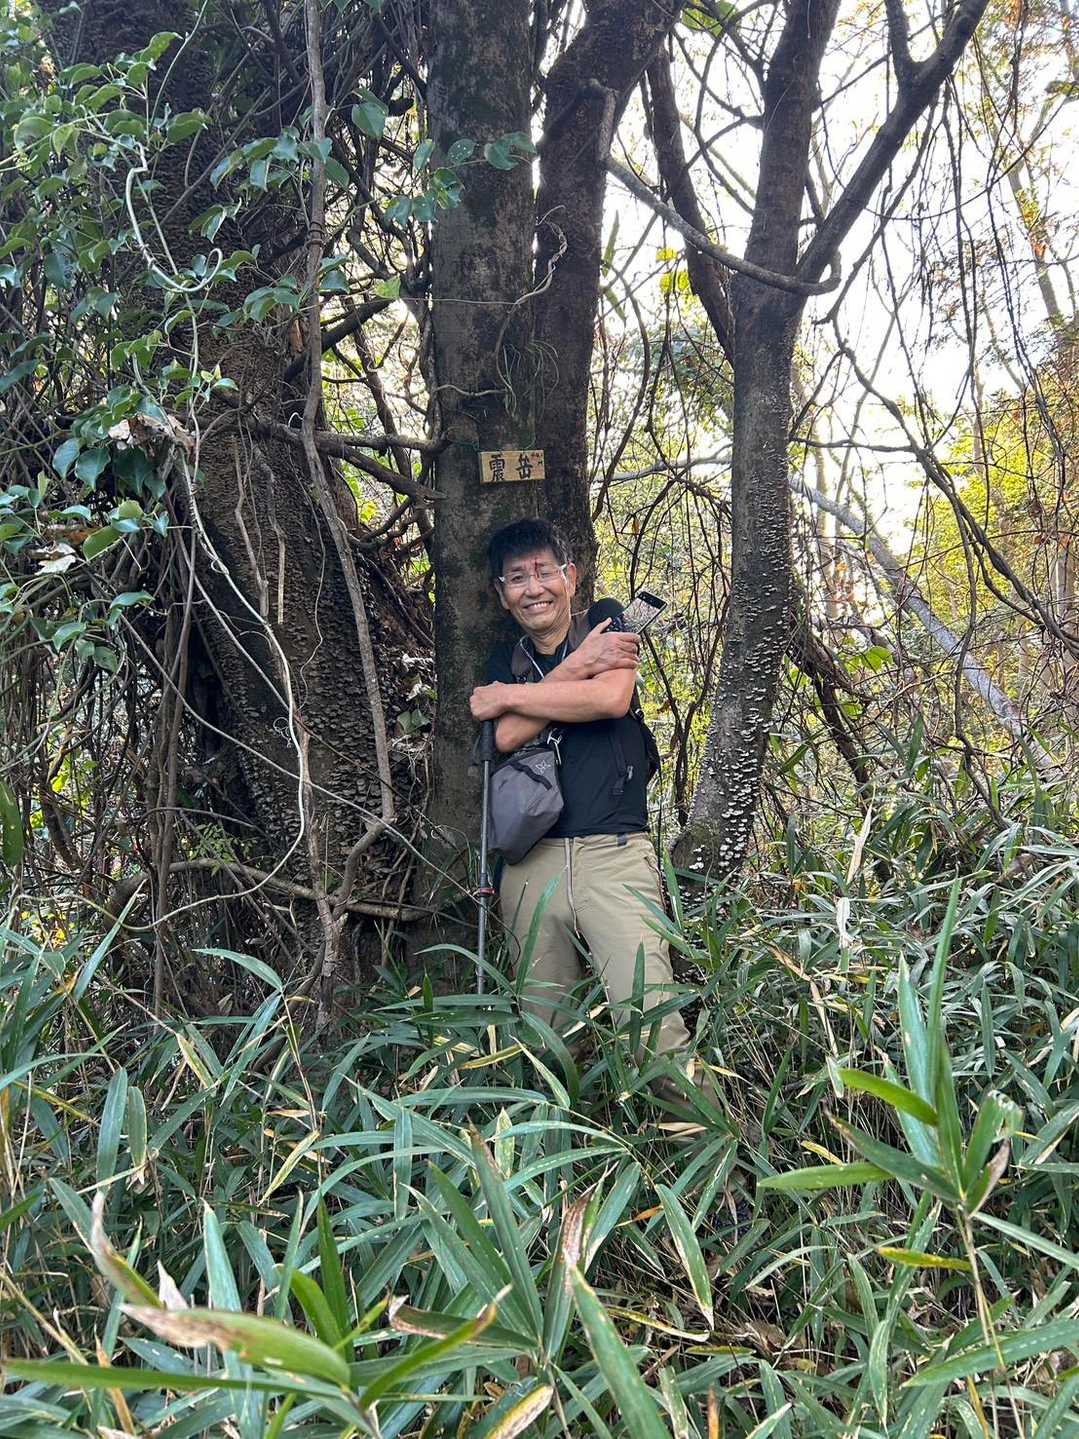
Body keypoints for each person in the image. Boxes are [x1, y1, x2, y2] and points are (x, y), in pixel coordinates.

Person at [469, 518, 700, 1087]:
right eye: (517, 578)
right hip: (531, 865)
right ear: (501, 593)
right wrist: (573, 671)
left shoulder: (606, 620)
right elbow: (505, 736)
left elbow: (611, 698)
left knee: (652, 1026)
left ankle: (705, 1142)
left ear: (570, 577)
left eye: (544, 572)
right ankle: (563, 1142)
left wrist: (514, 699)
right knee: (545, 1036)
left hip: (614, 856)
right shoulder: (505, 662)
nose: (534, 589)